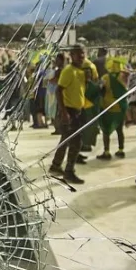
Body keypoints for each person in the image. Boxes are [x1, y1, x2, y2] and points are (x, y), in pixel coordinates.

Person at [50, 45, 89, 185]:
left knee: (65, 139)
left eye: (83, 55)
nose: (82, 57)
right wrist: (64, 112)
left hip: (77, 110)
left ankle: (55, 165)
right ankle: (69, 172)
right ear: (72, 55)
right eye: (79, 55)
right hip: (69, 111)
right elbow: (58, 91)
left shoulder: (81, 71)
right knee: (76, 142)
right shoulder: (68, 71)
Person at [96, 58, 127, 160]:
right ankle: (121, 150)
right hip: (121, 107)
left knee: (105, 130)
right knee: (120, 130)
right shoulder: (124, 78)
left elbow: (100, 89)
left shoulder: (106, 77)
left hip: (108, 107)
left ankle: (107, 152)